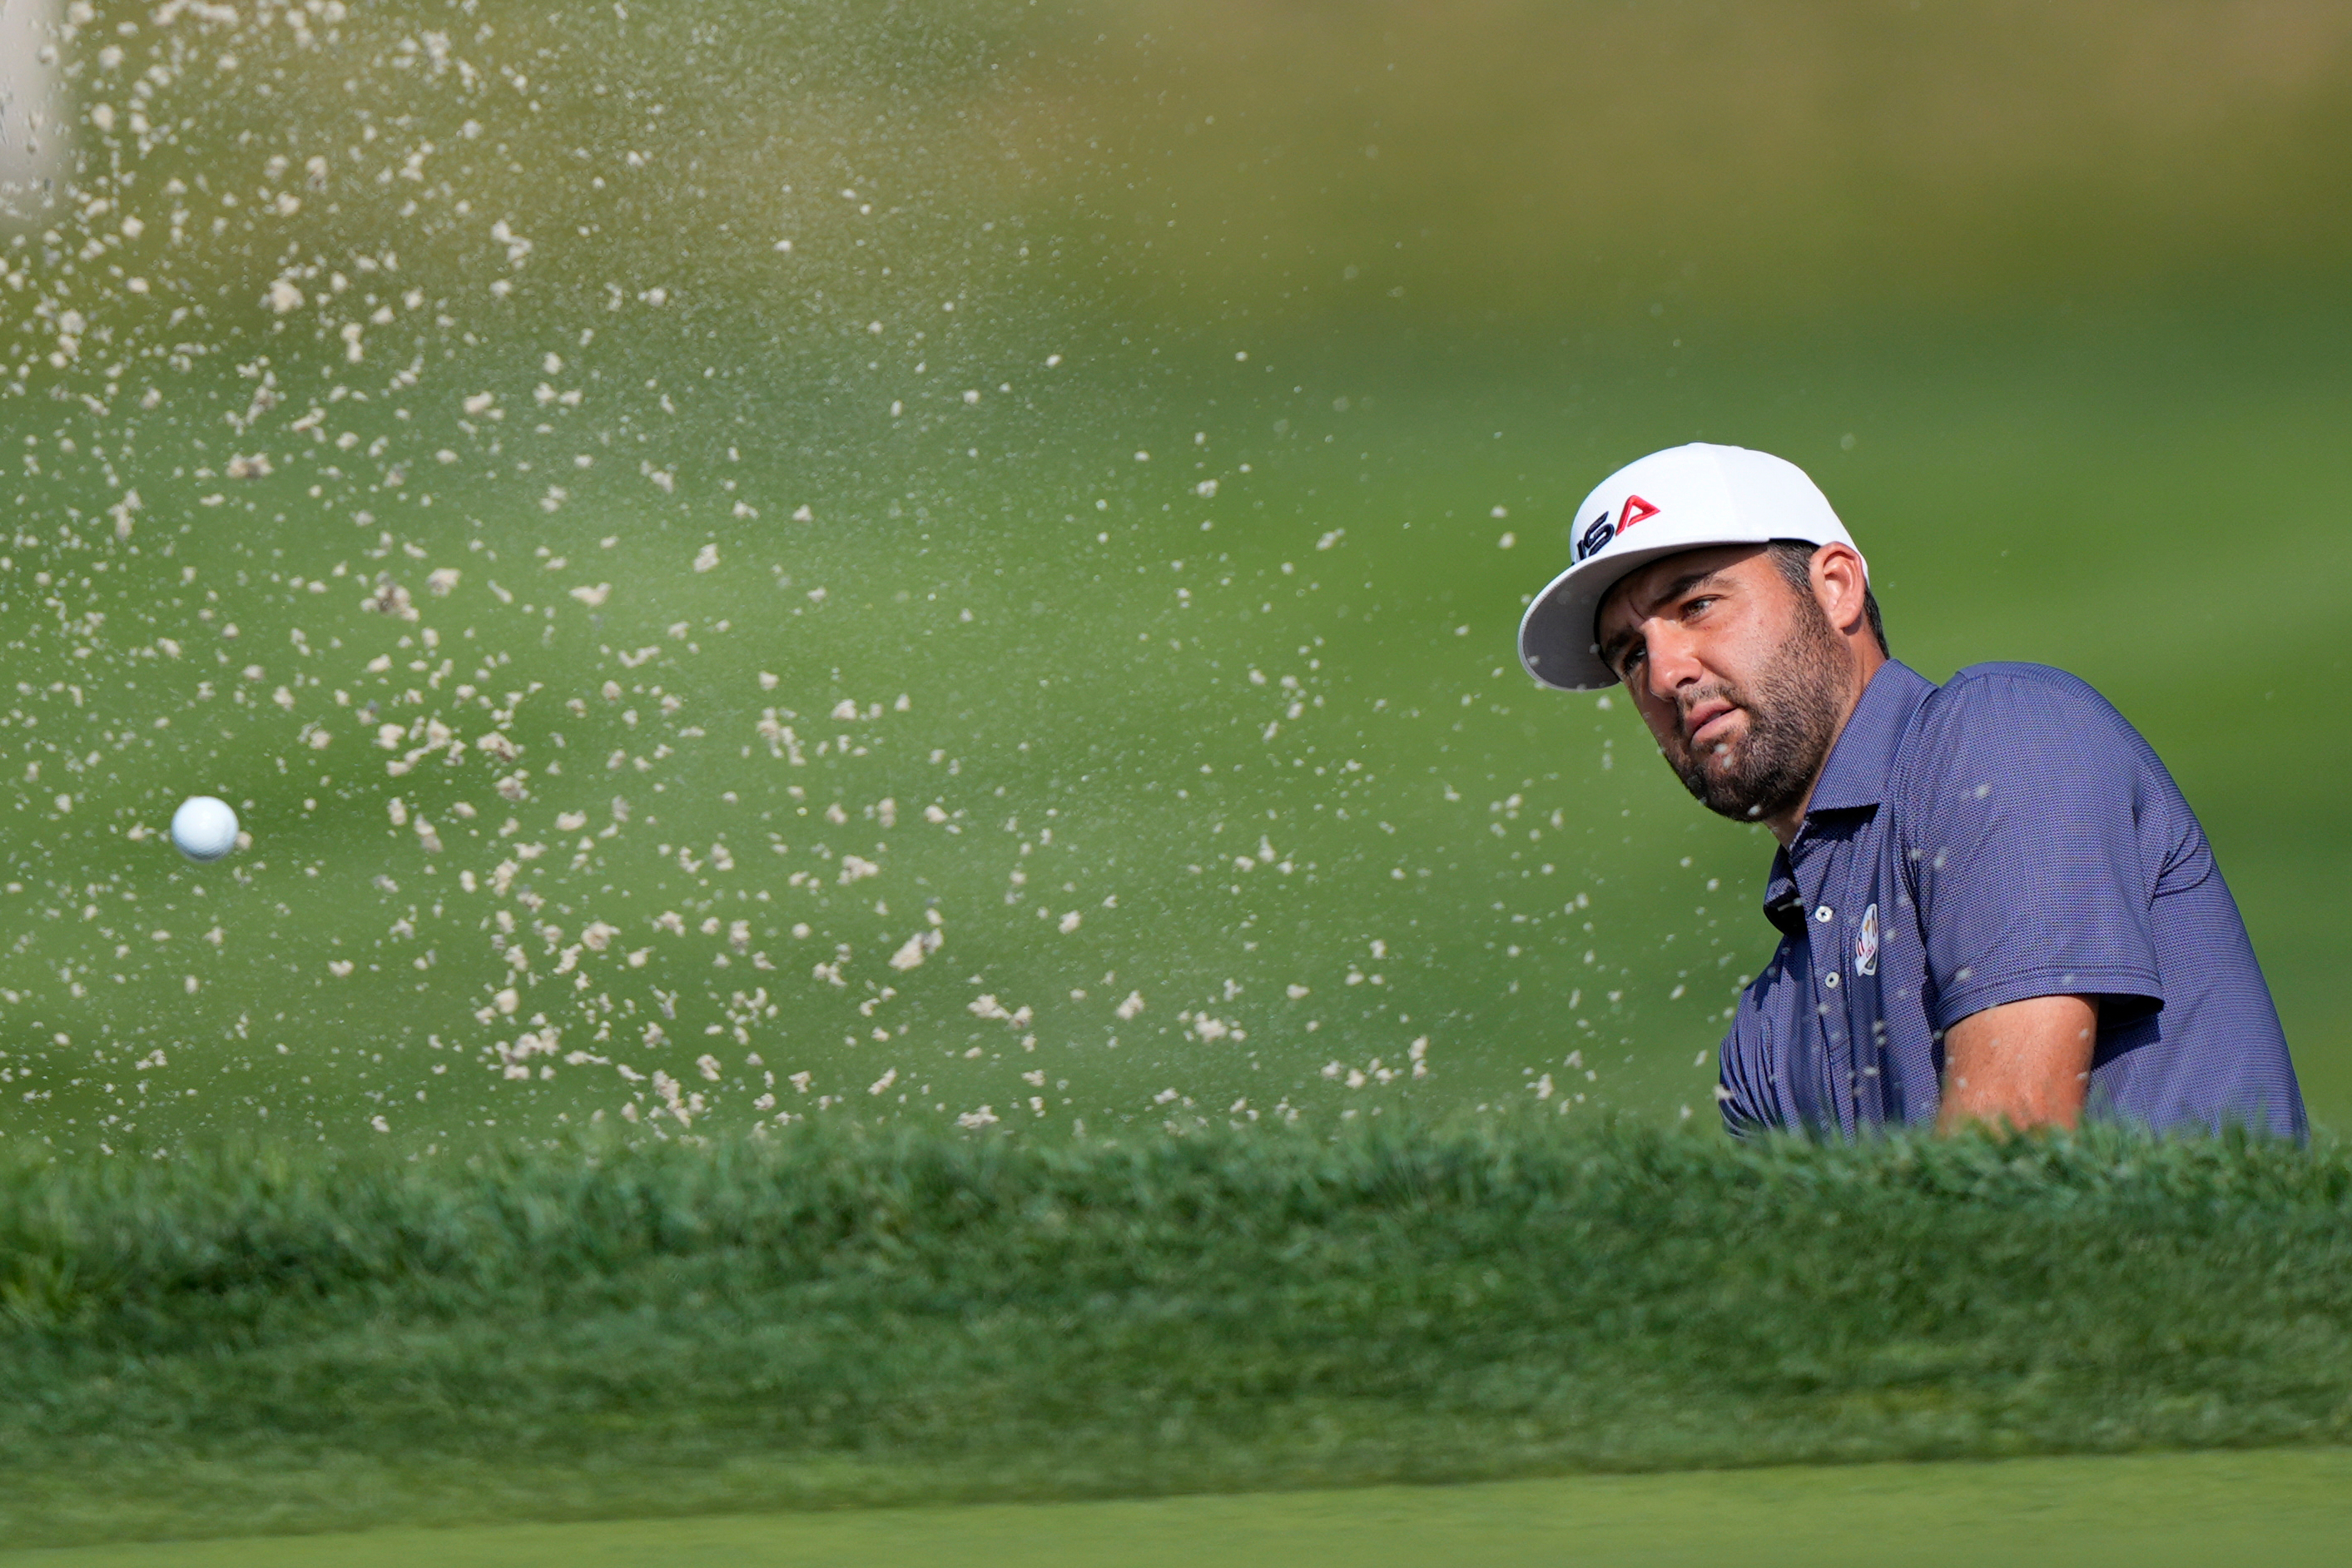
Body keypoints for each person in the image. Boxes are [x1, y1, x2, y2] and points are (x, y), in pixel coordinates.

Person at [1516, 443, 2305, 1139]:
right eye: (1629, 656)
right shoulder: (1766, 1034)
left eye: (1698, 606)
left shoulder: (2004, 733)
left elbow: (2009, 1157)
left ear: (1835, 587)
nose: (1666, 673)